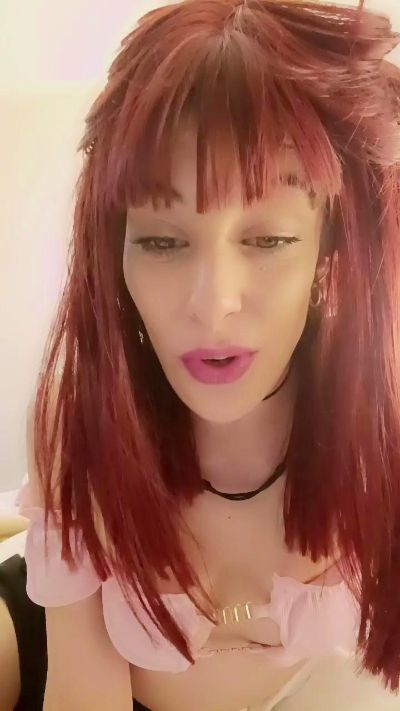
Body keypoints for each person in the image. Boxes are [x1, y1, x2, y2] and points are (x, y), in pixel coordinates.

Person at [1, 0, 400, 709]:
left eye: (267, 240)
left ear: (327, 253)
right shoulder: (80, 418)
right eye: (162, 241)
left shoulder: (380, 430)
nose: (213, 306)